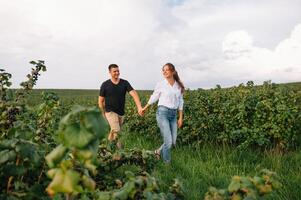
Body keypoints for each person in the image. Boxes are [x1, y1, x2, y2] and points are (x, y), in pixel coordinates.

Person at [142, 63, 184, 163]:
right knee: (168, 142)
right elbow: (154, 97)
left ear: (173, 71)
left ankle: (158, 151)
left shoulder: (179, 86)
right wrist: (145, 107)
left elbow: (181, 102)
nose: (164, 72)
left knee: (172, 141)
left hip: (173, 115)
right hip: (162, 113)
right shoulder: (161, 84)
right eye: (163, 70)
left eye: (167, 70)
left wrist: (180, 117)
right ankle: (167, 163)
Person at [98, 64, 143, 145]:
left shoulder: (124, 83)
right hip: (110, 112)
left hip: (121, 112)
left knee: (113, 131)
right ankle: (119, 153)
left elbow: (134, 94)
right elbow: (100, 101)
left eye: (118, 71)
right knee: (117, 132)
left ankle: (106, 149)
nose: (117, 73)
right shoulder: (105, 84)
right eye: (114, 71)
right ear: (110, 72)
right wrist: (102, 114)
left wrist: (139, 107)